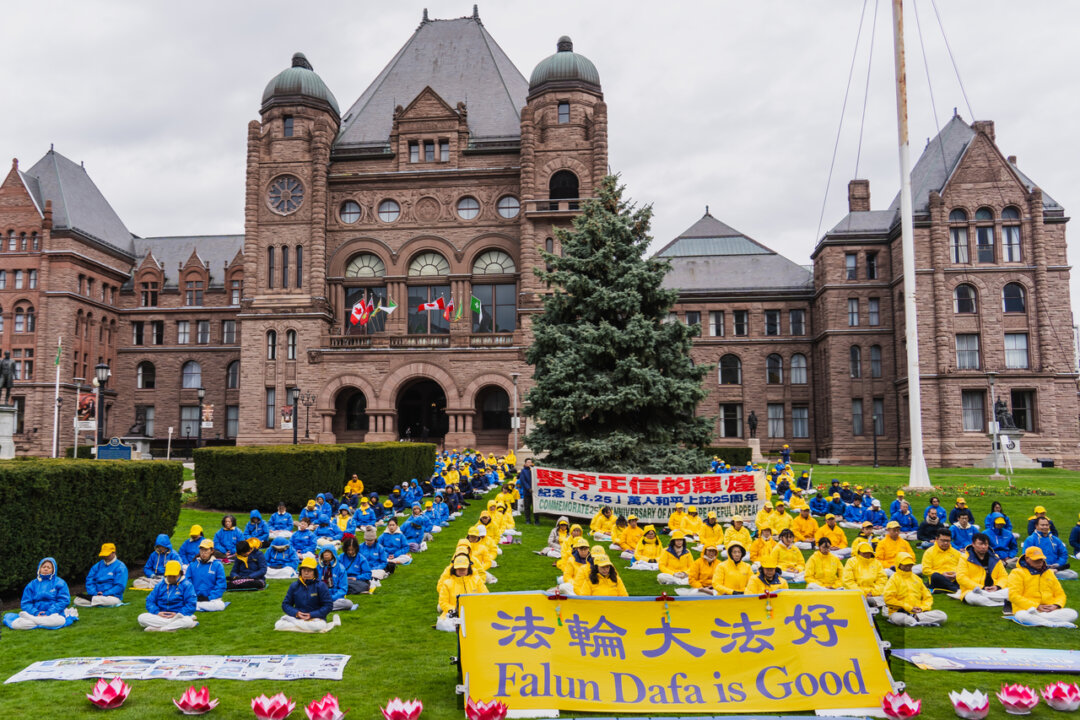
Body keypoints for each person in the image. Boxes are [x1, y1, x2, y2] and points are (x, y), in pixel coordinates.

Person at [1008, 546, 1079, 628]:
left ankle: (1041, 620)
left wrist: (1056, 605)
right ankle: (1052, 623)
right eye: (1036, 560)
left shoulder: (1048, 572)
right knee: (1022, 616)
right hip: (1027, 610)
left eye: (1041, 559)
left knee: (1073, 613)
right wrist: (1036, 606)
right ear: (1027, 559)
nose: (1039, 562)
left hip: (1049, 610)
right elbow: (1013, 596)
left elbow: (1060, 594)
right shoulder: (1017, 573)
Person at [3, 557, 78, 630]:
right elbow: (26, 603)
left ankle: (34, 621)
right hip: (35, 614)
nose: (45, 569)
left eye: (49, 567)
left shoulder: (60, 583)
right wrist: (35, 612)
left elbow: (63, 601)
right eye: (43, 567)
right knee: (16, 624)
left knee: (60, 621)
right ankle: (40, 621)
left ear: (53, 570)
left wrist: (49, 612)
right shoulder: (31, 584)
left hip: (53, 614)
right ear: (39, 568)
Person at [275, 556, 341, 633]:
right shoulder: (294, 586)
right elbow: (285, 604)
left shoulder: (321, 586)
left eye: (309, 570)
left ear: (314, 572)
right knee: (278, 624)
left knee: (318, 626)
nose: (306, 573)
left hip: (316, 619)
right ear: (301, 571)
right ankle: (303, 628)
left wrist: (311, 615)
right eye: (304, 570)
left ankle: (297, 627)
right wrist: (296, 613)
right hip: (298, 618)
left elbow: (328, 606)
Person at [882, 553, 947, 627]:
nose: (908, 566)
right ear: (899, 564)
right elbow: (888, 599)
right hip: (899, 612)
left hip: (918, 612)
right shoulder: (894, 579)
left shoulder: (917, 579)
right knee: (901, 618)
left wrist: (922, 608)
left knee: (942, 615)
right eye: (906, 564)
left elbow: (928, 597)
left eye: (910, 564)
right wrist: (909, 608)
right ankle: (918, 621)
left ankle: (915, 620)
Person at [137, 560, 198, 632]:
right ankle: (171, 626)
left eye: (173, 576)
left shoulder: (187, 585)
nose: (171, 578)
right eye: (169, 576)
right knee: (141, 618)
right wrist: (157, 612)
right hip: (161, 616)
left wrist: (177, 613)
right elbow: (150, 601)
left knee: (187, 621)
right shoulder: (160, 585)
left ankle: (160, 628)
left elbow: (191, 604)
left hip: (179, 615)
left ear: (179, 573)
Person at [954, 532, 1009, 607]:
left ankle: (991, 598)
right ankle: (1002, 603)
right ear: (973, 544)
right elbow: (961, 578)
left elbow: (1004, 576)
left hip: (994, 590)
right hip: (974, 590)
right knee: (972, 597)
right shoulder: (965, 558)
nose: (983, 547)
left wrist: (997, 586)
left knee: (1011, 591)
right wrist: (981, 588)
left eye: (985, 544)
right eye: (980, 544)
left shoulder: (995, 558)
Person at [436, 555, 487, 632]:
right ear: (454, 569)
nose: (461, 570)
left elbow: (485, 596)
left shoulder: (476, 580)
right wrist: (455, 610)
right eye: (459, 568)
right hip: (454, 613)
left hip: (474, 610)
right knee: (446, 625)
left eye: (464, 568)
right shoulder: (447, 583)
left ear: (468, 568)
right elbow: (443, 602)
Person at [75, 543, 128, 607]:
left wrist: (105, 593)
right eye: (104, 555)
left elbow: (120, 586)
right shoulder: (97, 566)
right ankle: (95, 600)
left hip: (111, 597)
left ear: (114, 553)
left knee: (113, 601)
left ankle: (92, 600)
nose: (105, 557)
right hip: (96, 595)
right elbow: (90, 581)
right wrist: (94, 593)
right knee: (77, 600)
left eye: (107, 555)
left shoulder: (120, 567)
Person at [842, 539, 886, 608]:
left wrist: (873, 592)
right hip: (855, 593)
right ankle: (871, 604)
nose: (867, 554)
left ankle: (871, 603)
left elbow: (882, 580)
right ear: (858, 552)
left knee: (889, 595)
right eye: (864, 553)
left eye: (868, 552)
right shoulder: (851, 562)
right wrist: (862, 593)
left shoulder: (877, 563)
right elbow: (848, 581)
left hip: (872, 593)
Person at [187, 540, 228, 611]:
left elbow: (221, 585)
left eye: (206, 550)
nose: (203, 553)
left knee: (220, 605)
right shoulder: (192, 564)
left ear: (212, 551)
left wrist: (209, 597)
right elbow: (187, 583)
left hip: (211, 599)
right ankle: (198, 605)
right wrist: (193, 595)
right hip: (195, 597)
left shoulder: (218, 565)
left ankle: (196, 606)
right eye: (201, 550)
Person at [921, 529, 963, 593]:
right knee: (935, 575)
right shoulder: (929, 552)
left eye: (948, 541)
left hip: (954, 578)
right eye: (943, 540)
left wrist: (956, 574)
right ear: (936, 539)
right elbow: (925, 570)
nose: (946, 543)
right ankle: (956, 590)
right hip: (939, 579)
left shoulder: (956, 552)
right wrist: (942, 574)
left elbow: (962, 567)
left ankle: (952, 589)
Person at [517, 458, 535, 525]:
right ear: (525, 463)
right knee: (527, 507)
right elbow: (523, 481)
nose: (529, 463)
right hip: (527, 492)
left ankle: (536, 520)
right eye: (528, 462)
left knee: (535, 507)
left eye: (530, 462)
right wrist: (528, 488)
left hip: (534, 492)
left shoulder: (534, 470)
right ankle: (528, 520)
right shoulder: (523, 471)